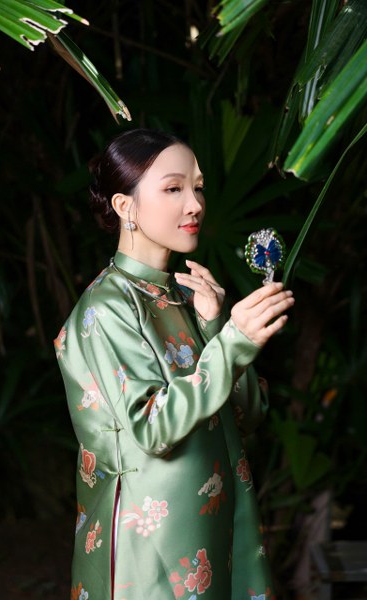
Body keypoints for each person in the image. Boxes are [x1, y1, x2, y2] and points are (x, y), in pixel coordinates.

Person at [54, 128, 295, 600]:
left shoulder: (187, 296)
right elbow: (151, 428)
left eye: (197, 187)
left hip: (217, 523)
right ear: (125, 207)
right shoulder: (107, 308)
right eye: (173, 188)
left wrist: (216, 326)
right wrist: (233, 342)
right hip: (151, 544)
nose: (195, 204)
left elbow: (247, 415)